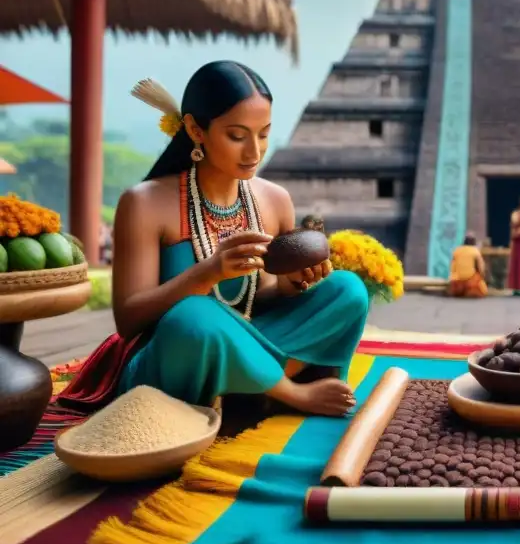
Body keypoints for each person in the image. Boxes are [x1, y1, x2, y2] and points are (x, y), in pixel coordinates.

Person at [60, 61, 370, 417]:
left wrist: (288, 287)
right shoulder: (144, 203)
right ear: (195, 129)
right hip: (178, 355)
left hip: (253, 341)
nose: (254, 152)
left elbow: (258, 299)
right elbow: (129, 321)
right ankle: (288, 394)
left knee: (347, 289)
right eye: (237, 136)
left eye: (264, 134)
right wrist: (204, 274)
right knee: (194, 313)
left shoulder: (274, 199)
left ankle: (244, 387)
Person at [448, 233, 488, 298]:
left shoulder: (457, 250)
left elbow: (452, 268)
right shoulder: (475, 251)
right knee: (483, 289)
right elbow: (481, 268)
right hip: (470, 282)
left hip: (457, 282)